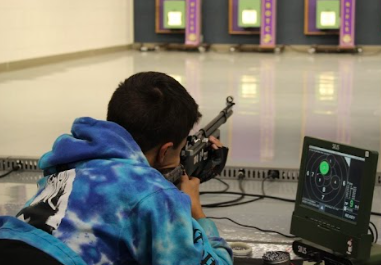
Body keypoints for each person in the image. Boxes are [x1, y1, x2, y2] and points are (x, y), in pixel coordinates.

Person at [0, 71, 233, 265]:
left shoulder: (62, 170)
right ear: (164, 151)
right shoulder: (156, 195)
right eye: (180, 151)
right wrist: (196, 212)